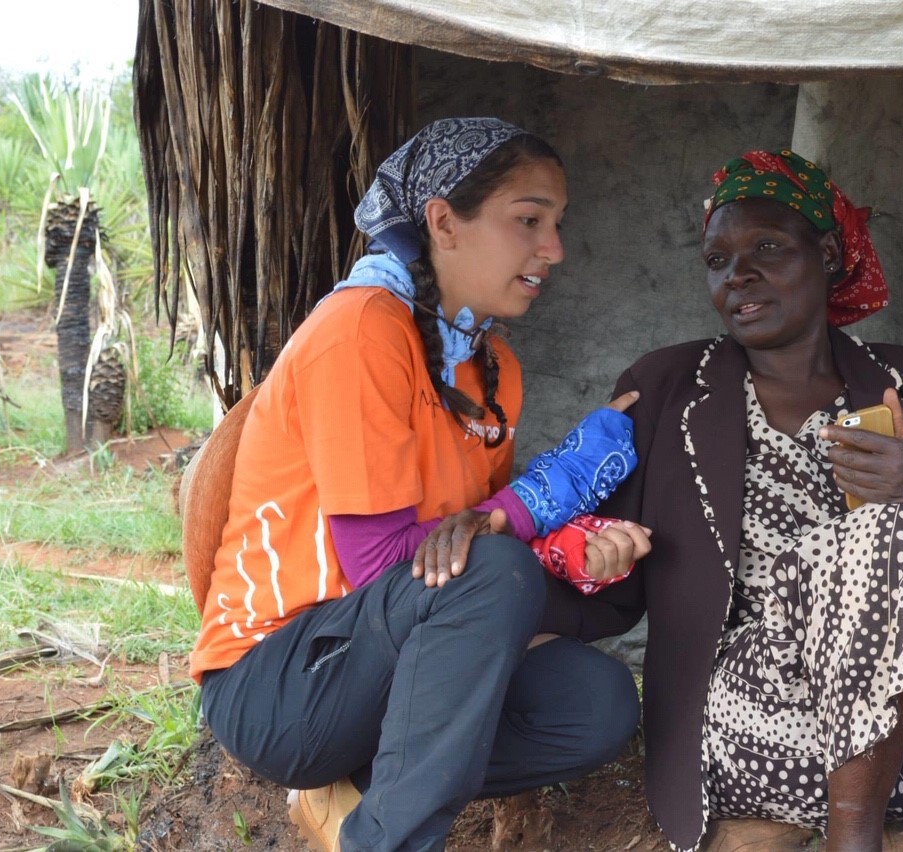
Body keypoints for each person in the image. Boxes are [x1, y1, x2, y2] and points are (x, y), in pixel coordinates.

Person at [540, 149, 903, 852]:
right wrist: (535, 604)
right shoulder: (671, 388)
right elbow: (604, 565)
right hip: (766, 718)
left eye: (767, 247)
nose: (739, 274)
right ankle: (850, 840)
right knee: (873, 541)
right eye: (718, 260)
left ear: (827, 253)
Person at [190, 117, 649, 852]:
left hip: (384, 665)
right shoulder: (361, 328)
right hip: (280, 682)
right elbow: (393, 566)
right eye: (529, 219)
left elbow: (462, 546)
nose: (554, 249)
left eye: (558, 224)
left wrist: (577, 543)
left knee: (593, 706)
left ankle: (362, 800)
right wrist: (542, 498)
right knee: (492, 569)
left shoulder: (495, 368)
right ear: (443, 222)